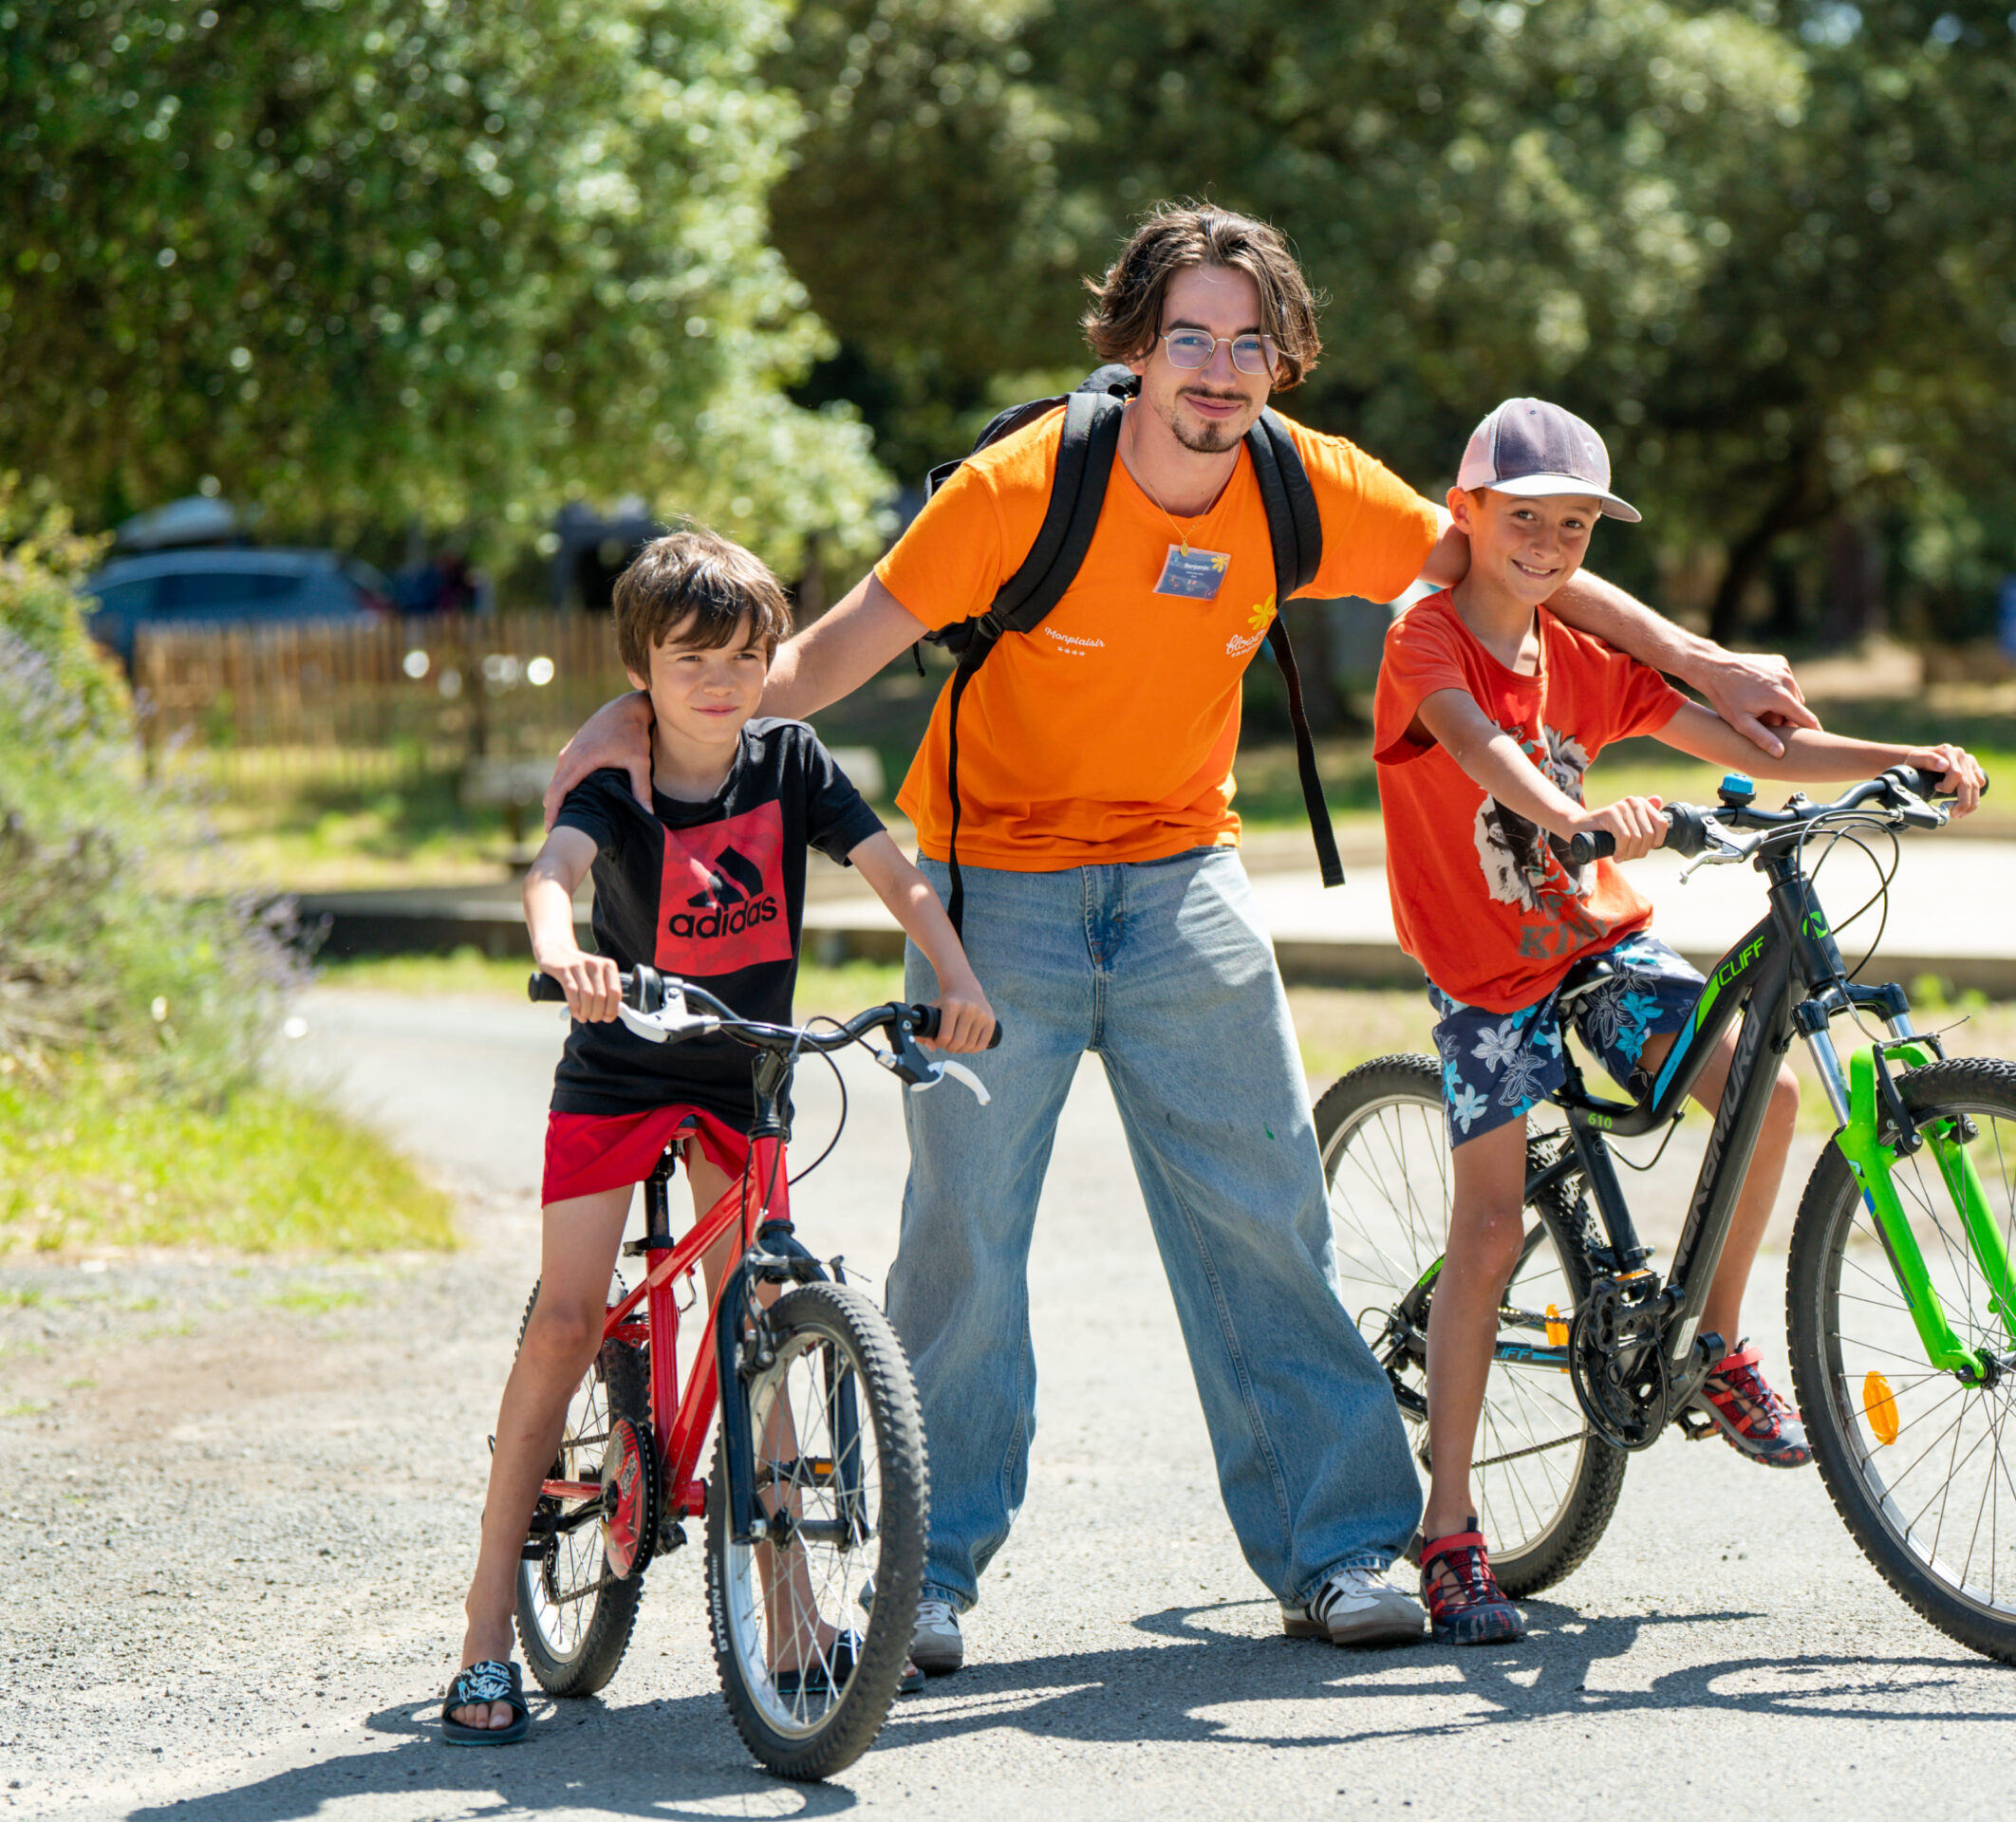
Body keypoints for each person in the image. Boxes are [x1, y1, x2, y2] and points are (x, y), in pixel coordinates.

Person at [538, 204, 1821, 1667]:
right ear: (1138, 348)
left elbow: (1502, 563)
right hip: (992, 885)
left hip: (1181, 882)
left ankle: (1338, 1551)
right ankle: (930, 1576)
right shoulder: (1022, 489)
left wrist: (1698, 656)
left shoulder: (1301, 484)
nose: (1219, 370)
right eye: (1191, 339)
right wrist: (633, 733)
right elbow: (822, 662)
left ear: (1283, 360)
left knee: (1267, 1213)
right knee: (963, 1239)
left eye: (1249, 344)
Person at [1369, 398, 1984, 1646]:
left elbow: (1738, 733)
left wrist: (1899, 757)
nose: (1546, 542)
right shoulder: (1425, 640)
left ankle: (1717, 1346)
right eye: (1523, 516)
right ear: (1468, 513)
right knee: (1489, 1227)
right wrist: (1573, 812)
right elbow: (1481, 750)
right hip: (1486, 977)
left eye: (1575, 523)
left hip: (1599, 943)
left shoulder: (1580, 655)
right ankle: (1448, 1529)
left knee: (1766, 1089)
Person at [442, 530, 996, 1742]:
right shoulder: (618, 778)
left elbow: (894, 873)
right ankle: (487, 1630)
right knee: (570, 1318)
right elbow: (555, 870)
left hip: (747, 1073)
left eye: (746, 655)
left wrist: (952, 973)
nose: (721, 680)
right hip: (620, 1069)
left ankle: (791, 1624)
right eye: (692, 656)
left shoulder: (791, 761)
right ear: (640, 664)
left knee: (764, 1326)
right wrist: (561, 953)